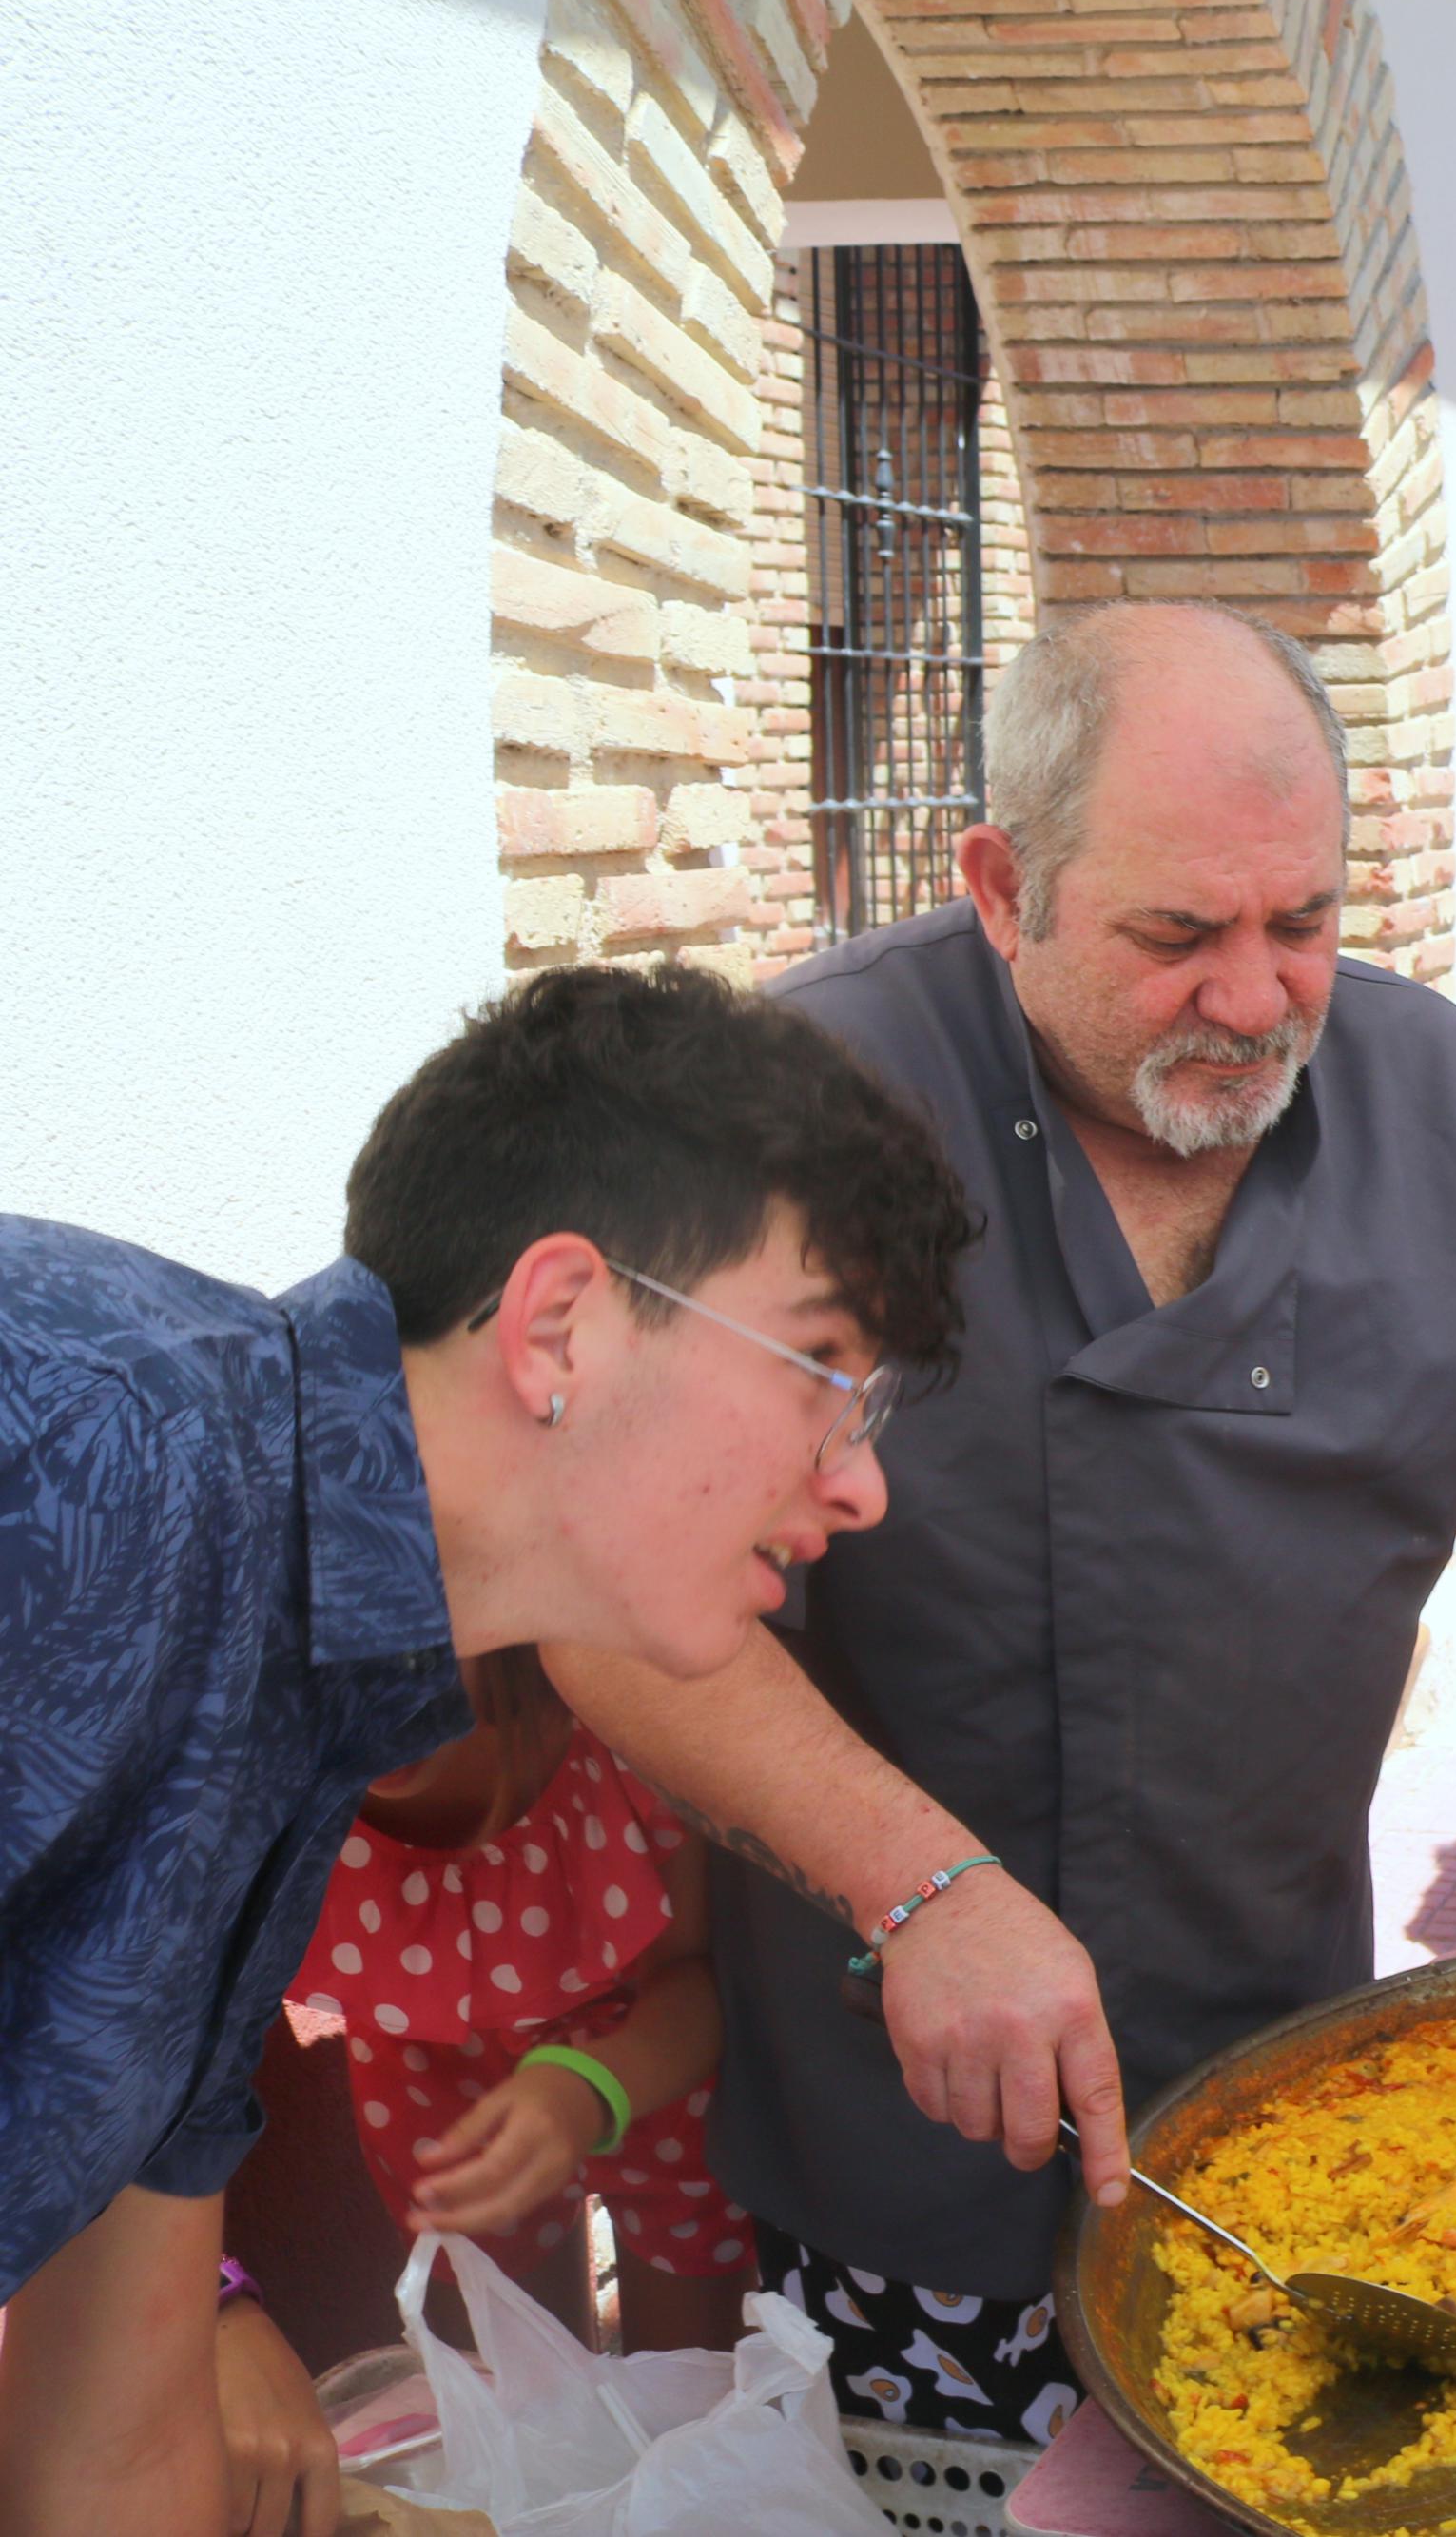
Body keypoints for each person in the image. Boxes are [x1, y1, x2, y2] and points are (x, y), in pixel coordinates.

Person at [556, 599, 1456, 2442]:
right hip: (906, 2102)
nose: (1250, 995)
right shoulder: (787, 1108)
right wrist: (921, 1882)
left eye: (1299, 924)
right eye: (1172, 936)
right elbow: (607, 1599)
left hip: (1286, 2064)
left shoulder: (1427, 1090)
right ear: (997, 882)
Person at [0, 963, 974, 2537]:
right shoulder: (83, 1454)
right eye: (824, 1380)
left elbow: (102, 2455)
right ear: (562, 1326)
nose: (857, 1489)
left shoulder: (303, 1711)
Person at [285, 1643, 752, 2350]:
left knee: (692, 2393)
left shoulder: (619, 1735)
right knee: (514, 2402)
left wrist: (586, 2090)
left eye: (406, 1655)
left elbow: (696, 1984)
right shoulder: (273, 1796)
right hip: (447, 2141)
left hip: (656, 2095)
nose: (367, 1712)